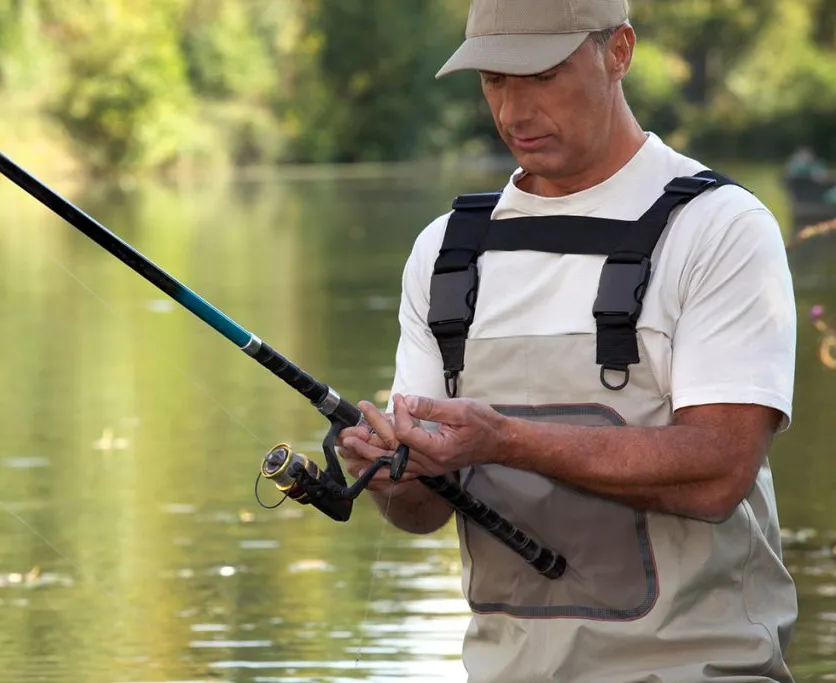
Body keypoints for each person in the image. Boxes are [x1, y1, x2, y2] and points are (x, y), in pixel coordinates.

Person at [337, 0, 799, 681]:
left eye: (542, 75)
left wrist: (504, 439)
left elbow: (718, 472)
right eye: (494, 79)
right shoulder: (443, 252)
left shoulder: (721, 228)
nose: (513, 110)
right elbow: (423, 511)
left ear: (619, 52)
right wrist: (392, 471)